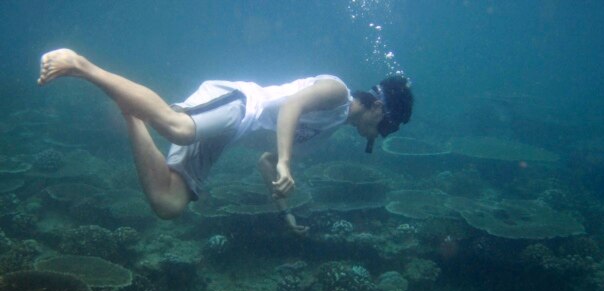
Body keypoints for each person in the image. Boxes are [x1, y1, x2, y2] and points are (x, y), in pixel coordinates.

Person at [37, 48, 413, 234]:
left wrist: (287, 212)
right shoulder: (337, 91)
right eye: (389, 126)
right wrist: (286, 160)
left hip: (229, 135)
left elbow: (265, 161)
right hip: (239, 104)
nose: (384, 135)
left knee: (167, 204)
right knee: (177, 127)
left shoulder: (328, 131)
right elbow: (290, 108)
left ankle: (130, 111)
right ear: (378, 107)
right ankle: (82, 66)